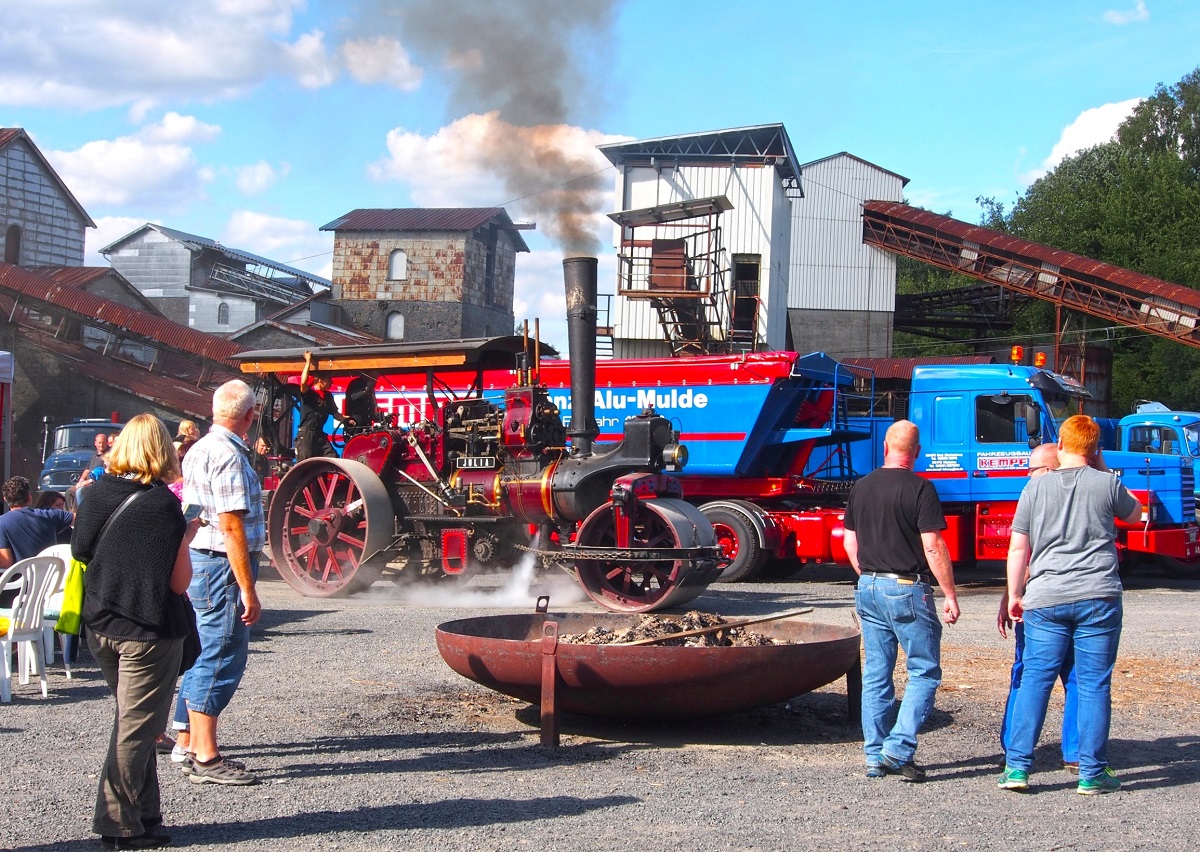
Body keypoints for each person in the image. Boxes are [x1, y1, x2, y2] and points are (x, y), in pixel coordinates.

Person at [72, 414, 199, 848]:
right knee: (136, 730)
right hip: (147, 631)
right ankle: (117, 826)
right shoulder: (162, 505)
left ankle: (144, 814)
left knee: (135, 724)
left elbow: (80, 549)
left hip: (102, 624)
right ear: (162, 449)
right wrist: (185, 535)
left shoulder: (96, 493)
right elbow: (180, 583)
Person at [999, 414, 1141, 795]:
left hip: (1045, 597)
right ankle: (1091, 773)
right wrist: (1104, 467)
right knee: (1094, 684)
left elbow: (1018, 547)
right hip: (1098, 594)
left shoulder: (1036, 488)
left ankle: (1017, 768)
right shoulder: (1107, 483)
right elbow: (1136, 514)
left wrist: (1014, 594)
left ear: (1059, 446)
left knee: (1035, 679)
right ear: (1094, 450)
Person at [843, 419, 959, 782]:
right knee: (924, 671)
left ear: (885, 449)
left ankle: (874, 757)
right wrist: (950, 594)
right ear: (917, 452)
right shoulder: (920, 488)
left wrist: (867, 577)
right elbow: (933, 545)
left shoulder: (861, 487)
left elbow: (849, 541)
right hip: (907, 587)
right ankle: (898, 749)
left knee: (877, 674)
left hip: (869, 587)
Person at [169, 379, 264, 786]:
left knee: (200, 649)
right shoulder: (228, 455)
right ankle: (206, 757)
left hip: (201, 559)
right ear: (250, 415)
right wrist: (248, 588)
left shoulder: (199, 449)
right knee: (222, 653)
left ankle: (186, 739)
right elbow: (231, 526)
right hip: (222, 564)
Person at [998, 443, 1079, 774]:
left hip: (1041, 604)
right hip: (1082, 601)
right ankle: (1077, 752)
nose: (1027, 476)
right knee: (1077, 678)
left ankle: (1015, 752)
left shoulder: (1035, 498)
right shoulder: (1085, 494)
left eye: (1031, 470)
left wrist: (1010, 597)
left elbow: (1023, 556)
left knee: (1027, 675)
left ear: (1049, 469)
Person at [0, 475, 75, 569]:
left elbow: (5, 562)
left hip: (19, 582)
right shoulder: (52, 515)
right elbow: (81, 518)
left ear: (5, 499)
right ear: (29, 496)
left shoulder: (1, 523)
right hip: (52, 579)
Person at [296, 352, 353, 460]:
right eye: (329, 379)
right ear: (321, 380)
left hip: (319, 434)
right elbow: (303, 383)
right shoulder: (309, 393)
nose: (332, 382)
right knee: (306, 463)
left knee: (333, 458)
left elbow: (336, 415)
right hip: (307, 435)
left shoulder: (328, 396)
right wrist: (308, 361)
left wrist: (349, 419)